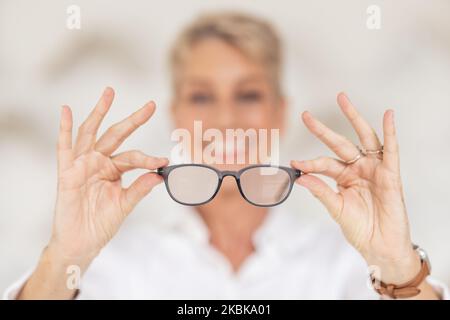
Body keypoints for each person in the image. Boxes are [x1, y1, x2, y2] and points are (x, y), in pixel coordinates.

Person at [4, 12, 448, 300]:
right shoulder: (113, 266)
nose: (226, 116)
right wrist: (64, 257)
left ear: (279, 113)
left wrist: (395, 264)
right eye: (202, 96)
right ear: (178, 116)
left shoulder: (350, 262)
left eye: (249, 93)